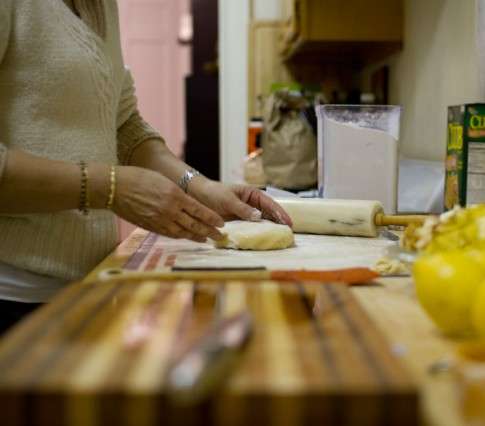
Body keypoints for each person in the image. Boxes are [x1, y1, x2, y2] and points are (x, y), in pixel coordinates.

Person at [0, 0, 292, 334]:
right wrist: (111, 187)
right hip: (12, 297)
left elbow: (123, 124)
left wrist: (201, 188)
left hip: (87, 284)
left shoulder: (101, 5)